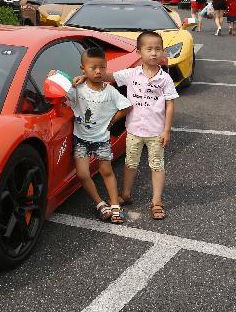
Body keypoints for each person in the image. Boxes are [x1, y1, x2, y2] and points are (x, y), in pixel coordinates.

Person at [73, 31, 177, 219]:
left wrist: (167, 130)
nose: (154, 53)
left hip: (156, 131)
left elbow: (170, 104)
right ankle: (125, 194)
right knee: (130, 163)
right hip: (134, 130)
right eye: (149, 49)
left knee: (156, 165)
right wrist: (83, 78)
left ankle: (157, 201)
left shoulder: (165, 79)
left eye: (158, 49)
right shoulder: (131, 74)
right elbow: (106, 75)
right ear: (139, 52)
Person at [50, 47, 132, 224]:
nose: (98, 71)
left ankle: (116, 205)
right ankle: (100, 204)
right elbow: (61, 90)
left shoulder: (110, 92)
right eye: (93, 67)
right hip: (81, 140)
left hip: (101, 140)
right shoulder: (78, 89)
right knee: (82, 174)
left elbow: (127, 106)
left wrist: (111, 121)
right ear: (83, 69)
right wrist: (55, 75)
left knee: (106, 171)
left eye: (102, 67)